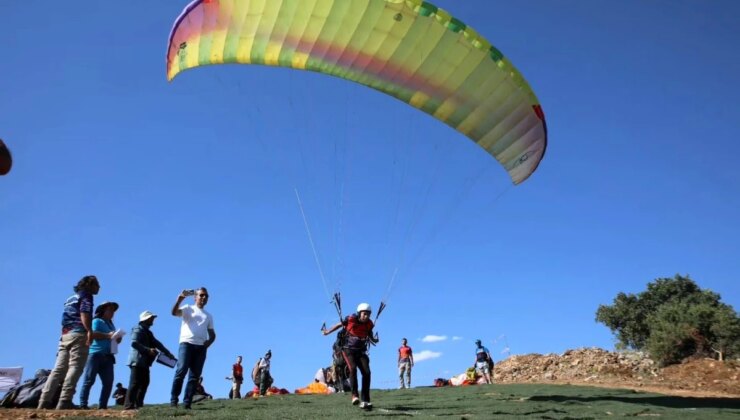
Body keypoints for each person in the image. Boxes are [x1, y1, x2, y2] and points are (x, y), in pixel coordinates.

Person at [38, 275, 101, 410]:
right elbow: (85, 313)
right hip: (79, 333)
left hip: (65, 335)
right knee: (75, 367)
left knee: (58, 370)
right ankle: (65, 399)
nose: (99, 287)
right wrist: (89, 330)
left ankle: (44, 400)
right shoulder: (87, 296)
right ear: (90, 285)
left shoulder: (70, 298)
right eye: (97, 285)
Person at [323, 303, 378, 410]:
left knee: (367, 372)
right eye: (364, 314)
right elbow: (340, 324)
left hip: (361, 351)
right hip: (348, 350)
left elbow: (369, 334)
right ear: (359, 313)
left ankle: (365, 400)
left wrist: (374, 339)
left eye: (368, 314)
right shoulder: (351, 319)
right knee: (352, 369)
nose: (366, 316)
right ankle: (354, 395)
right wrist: (328, 331)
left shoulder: (369, 324)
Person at [170, 288, 216, 409]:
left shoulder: (208, 316)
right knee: (181, 371)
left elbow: (212, 334)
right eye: (201, 295)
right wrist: (179, 300)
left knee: (194, 376)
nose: (204, 298)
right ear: (195, 297)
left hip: (200, 348)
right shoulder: (187, 308)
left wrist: (207, 344)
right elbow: (174, 313)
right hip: (186, 344)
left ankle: (187, 403)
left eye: (206, 296)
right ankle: (174, 400)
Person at [124, 311, 175, 410]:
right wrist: (148, 350)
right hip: (137, 361)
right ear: (146, 319)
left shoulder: (148, 332)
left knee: (144, 383)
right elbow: (134, 343)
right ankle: (128, 406)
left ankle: (138, 405)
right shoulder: (137, 329)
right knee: (135, 383)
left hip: (144, 362)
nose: (153, 320)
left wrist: (168, 353)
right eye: (151, 318)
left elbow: (157, 343)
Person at [79, 301, 120, 409]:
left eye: (113, 310)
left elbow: (112, 339)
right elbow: (92, 334)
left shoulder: (111, 324)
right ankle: (83, 404)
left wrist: (117, 338)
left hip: (108, 355)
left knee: (108, 382)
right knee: (89, 380)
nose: (112, 312)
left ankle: (103, 406)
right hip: (95, 354)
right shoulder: (96, 321)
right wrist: (108, 335)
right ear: (103, 310)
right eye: (109, 310)